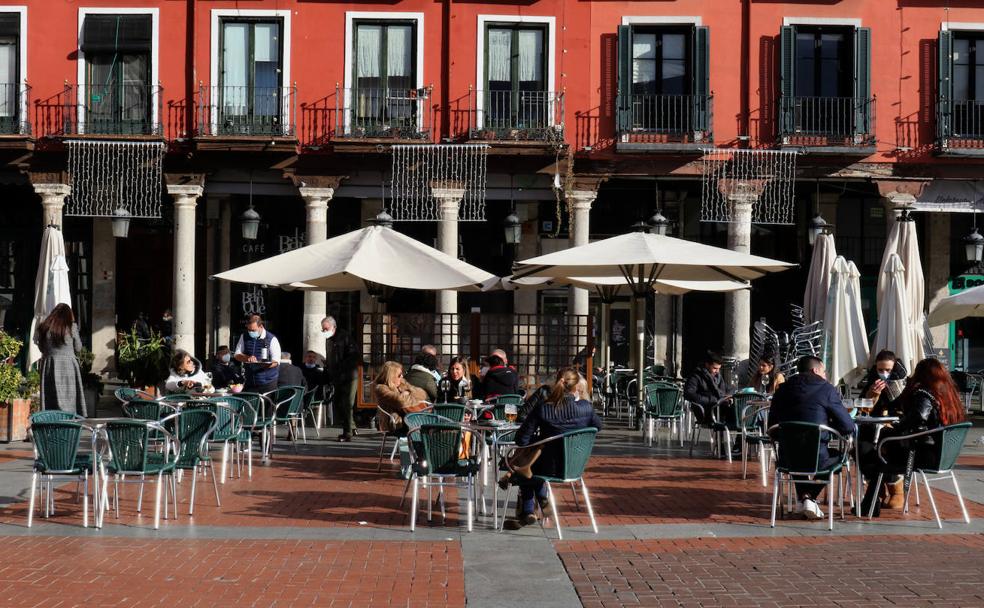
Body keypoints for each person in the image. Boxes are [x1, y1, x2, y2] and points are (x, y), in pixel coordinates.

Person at [858, 358, 966, 517]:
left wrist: (895, 429)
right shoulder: (949, 395)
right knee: (881, 454)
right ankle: (874, 502)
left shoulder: (924, 393)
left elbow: (918, 417)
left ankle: (871, 505)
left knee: (879, 456)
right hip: (943, 456)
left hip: (922, 455)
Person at [504, 368, 603, 530]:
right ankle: (538, 501)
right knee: (530, 466)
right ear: (576, 385)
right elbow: (598, 427)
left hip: (549, 467)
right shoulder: (586, 408)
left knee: (525, 465)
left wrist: (539, 440)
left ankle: (530, 507)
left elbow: (521, 440)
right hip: (574, 467)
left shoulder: (544, 408)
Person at [768, 356, 855, 520]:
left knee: (795, 452)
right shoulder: (827, 389)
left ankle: (805, 498)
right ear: (815, 370)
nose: (825, 375)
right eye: (824, 371)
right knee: (837, 456)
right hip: (818, 458)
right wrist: (828, 425)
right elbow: (848, 426)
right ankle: (808, 497)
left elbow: (772, 428)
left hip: (786, 459)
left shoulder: (782, 390)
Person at [35, 303, 87, 417]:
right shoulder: (71, 327)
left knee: (50, 397)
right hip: (68, 365)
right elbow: (78, 348)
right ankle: (68, 422)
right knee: (69, 397)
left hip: (49, 365)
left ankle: (53, 421)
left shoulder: (44, 327)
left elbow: (41, 348)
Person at [322, 316, 361, 442]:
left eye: (326, 328)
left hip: (349, 375)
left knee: (347, 403)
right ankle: (352, 426)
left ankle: (347, 432)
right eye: (323, 329)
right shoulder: (329, 339)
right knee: (339, 403)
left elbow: (353, 355)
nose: (324, 331)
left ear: (334, 327)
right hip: (337, 375)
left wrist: (340, 366)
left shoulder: (344, 337)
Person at [373, 361, 429, 432]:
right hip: (395, 421)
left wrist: (407, 394)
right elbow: (400, 402)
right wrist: (408, 395)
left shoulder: (402, 383)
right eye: (399, 375)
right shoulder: (381, 388)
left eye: (402, 374)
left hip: (408, 417)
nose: (402, 376)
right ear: (391, 377)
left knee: (426, 423)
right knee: (424, 424)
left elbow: (422, 394)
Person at [233, 314, 281, 394]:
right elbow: (237, 354)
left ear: (261, 327)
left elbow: (276, 361)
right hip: (250, 381)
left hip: (267, 382)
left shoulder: (272, 339)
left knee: (266, 406)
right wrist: (247, 358)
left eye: (253, 330)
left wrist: (264, 364)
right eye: (249, 330)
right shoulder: (244, 336)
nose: (251, 332)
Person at [684, 351, 728, 424]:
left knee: (736, 409)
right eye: (715, 368)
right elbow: (689, 394)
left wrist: (729, 396)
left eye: (719, 368)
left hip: (718, 408)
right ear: (707, 365)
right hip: (704, 410)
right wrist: (711, 400)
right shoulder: (696, 376)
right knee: (728, 414)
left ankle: (742, 432)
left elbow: (726, 389)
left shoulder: (718, 377)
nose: (717, 371)